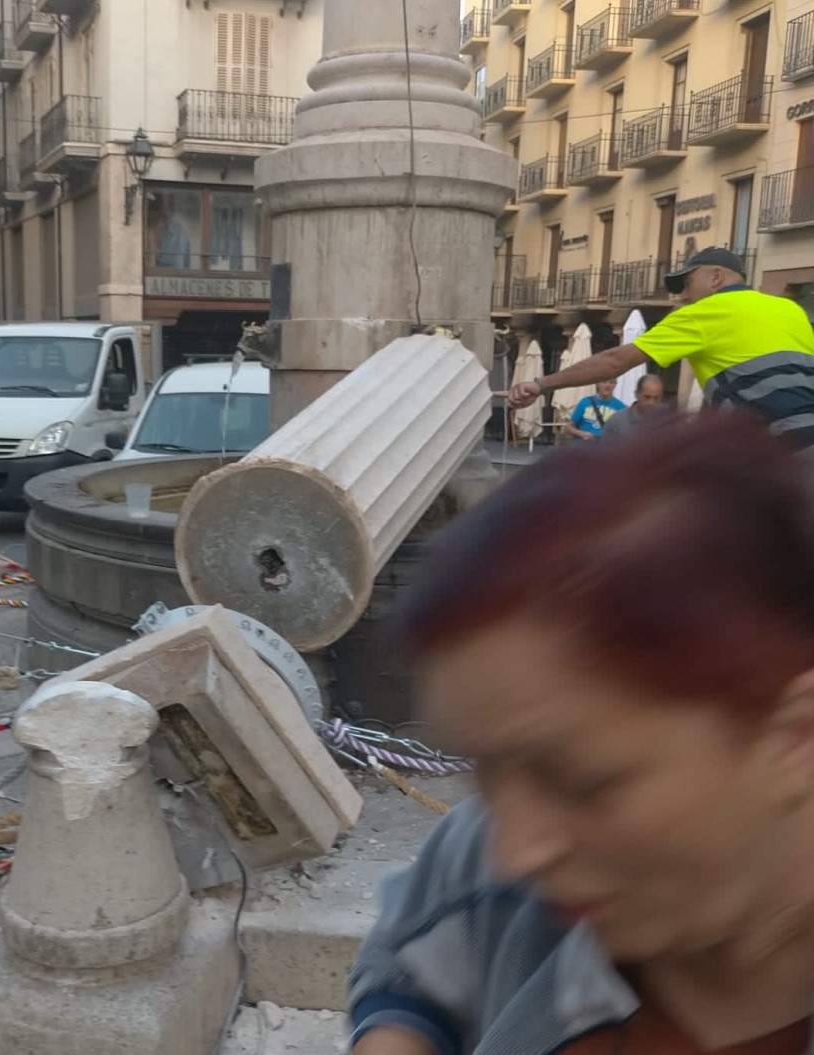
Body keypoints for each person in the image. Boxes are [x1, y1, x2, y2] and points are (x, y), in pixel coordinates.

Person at [349, 412, 814, 1055]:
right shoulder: (489, 844)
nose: (516, 854)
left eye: (584, 782)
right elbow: (412, 965)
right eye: (483, 771)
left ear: (796, 737)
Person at [505, 247, 814, 448]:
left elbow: (616, 360)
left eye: (687, 285)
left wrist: (541, 383)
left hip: (780, 448)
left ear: (716, 277)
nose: (683, 296)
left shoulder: (705, 312)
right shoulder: (791, 310)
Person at [600, 373, 667, 440]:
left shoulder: (667, 422)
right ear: (636, 394)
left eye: (656, 398)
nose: (651, 403)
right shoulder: (617, 422)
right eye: (647, 397)